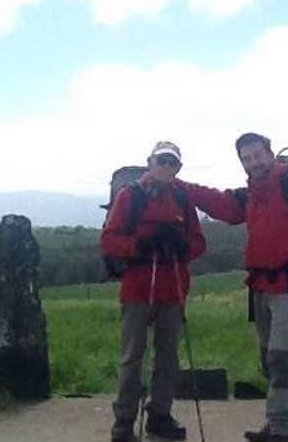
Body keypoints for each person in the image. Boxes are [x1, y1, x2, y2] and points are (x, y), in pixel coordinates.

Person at [175, 132, 288, 442]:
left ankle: (285, 431)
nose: (253, 162)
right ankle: (276, 424)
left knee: (282, 361)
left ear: (270, 155)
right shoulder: (252, 194)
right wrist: (180, 186)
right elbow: (222, 205)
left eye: (258, 155)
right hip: (260, 287)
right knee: (270, 360)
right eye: (246, 158)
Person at [100, 141, 206, 442]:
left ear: (179, 169)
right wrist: (141, 245)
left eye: (173, 163)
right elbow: (108, 241)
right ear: (150, 162)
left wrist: (182, 245)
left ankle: (159, 416)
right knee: (133, 357)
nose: (167, 167)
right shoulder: (130, 196)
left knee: (168, 357)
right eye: (162, 161)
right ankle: (123, 425)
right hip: (137, 288)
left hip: (172, 287)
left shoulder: (183, 200)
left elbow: (199, 243)